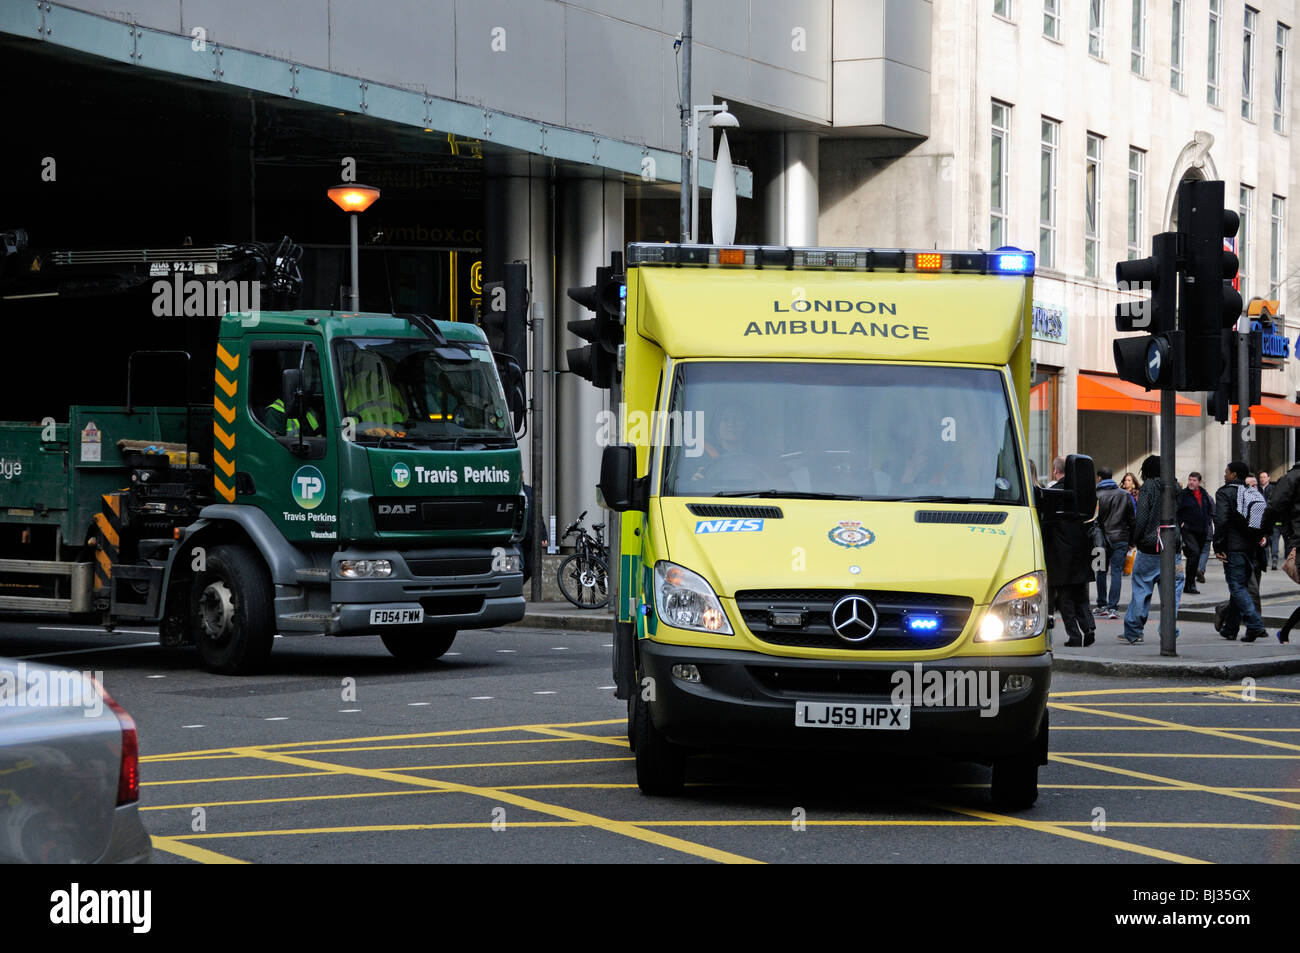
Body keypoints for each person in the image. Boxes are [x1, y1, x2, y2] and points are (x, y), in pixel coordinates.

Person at [1122, 455, 1185, 645]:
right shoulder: (1176, 487)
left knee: (1142, 589)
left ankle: (1134, 631)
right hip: (1172, 547)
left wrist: (1136, 539)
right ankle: (1168, 630)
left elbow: (1141, 517)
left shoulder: (1149, 486)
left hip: (1150, 547)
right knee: (1172, 592)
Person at [1212, 461, 1270, 643]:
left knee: (1236, 586)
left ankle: (1254, 624)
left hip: (1233, 547)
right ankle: (1230, 629)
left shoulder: (1225, 492)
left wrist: (1218, 546)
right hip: (1251, 547)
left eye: (1227, 472)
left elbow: (1220, 521)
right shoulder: (1252, 492)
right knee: (1241, 587)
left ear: (1234, 474)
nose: (1224, 475)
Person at [1043, 460, 1097, 647]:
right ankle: (1088, 626)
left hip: (1061, 552)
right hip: (1080, 549)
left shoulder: (1054, 493)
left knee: (1065, 598)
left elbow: (1046, 525)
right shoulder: (1079, 491)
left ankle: (1074, 636)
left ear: (1055, 470)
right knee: (1080, 593)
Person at [1264, 459, 1300, 643]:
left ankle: (1284, 632)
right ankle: (1284, 632)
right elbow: (1274, 507)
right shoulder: (1292, 479)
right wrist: (1263, 532)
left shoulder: (1290, 479)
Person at [1093, 466, 1134, 619]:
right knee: (1116, 572)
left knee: (1101, 572)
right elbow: (1132, 519)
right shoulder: (1124, 495)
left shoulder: (1096, 494)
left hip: (1100, 540)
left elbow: (1092, 520)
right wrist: (1132, 541)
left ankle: (1101, 604)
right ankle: (1113, 607)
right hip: (1121, 538)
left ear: (1099, 478)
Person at [1176, 472, 1215, 594]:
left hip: (1201, 530)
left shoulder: (1204, 494)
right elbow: (1176, 510)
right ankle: (1190, 584)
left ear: (1199, 482)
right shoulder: (1183, 494)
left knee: (1195, 556)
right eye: (1190, 480)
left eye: (1194, 480)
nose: (1191, 482)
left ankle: (1190, 583)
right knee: (1194, 553)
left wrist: (1208, 522)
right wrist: (1181, 523)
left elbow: (1209, 509)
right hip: (1188, 529)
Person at [1260, 470, 1281, 570]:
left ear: (1268, 478)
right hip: (1262, 520)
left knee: (1274, 540)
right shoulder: (1259, 489)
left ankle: (1274, 560)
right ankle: (1265, 560)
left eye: (1264, 477)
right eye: (1261, 477)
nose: (1262, 479)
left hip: (1272, 519)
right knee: (1264, 540)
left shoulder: (1272, 489)